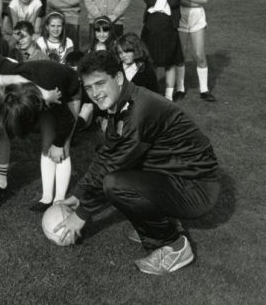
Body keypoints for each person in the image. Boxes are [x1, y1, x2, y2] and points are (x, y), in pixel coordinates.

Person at [53, 51, 220, 276]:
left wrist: (81, 214)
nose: (95, 94)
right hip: (177, 174)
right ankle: (157, 222)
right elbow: (107, 154)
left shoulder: (138, 110)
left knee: (116, 184)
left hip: (197, 188)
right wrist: (79, 192)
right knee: (118, 171)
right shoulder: (122, 103)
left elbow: (115, 165)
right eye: (89, 87)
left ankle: (174, 245)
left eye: (100, 83)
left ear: (119, 78)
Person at [0, 50, 77, 209]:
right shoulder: (12, 73)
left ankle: (59, 201)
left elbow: (68, 119)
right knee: (46, 146)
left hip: (69, 86)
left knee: (62, 146)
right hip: (41, 85)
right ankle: (46, 198)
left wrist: (58, 144)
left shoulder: (52, 95)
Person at [141, 0, 186, 100]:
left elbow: (173, 1)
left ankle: (168, 95)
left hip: (167, 25)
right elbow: (149, 0)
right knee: (151, 60)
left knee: (170, 63)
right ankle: (152, 91)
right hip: (152, 24)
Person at [175, 0, 215, 102]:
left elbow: (205, 0)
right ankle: (179, 88)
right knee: (181, 54)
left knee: (199, 54)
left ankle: (204, 90)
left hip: (198, 19)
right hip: (181, 18)